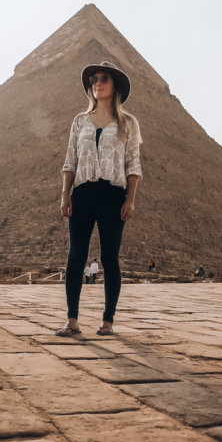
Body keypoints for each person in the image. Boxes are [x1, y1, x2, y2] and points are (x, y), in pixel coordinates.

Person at [58, 60, 142, 336]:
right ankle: (72, 320)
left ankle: (108, 320)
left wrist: (130, 199)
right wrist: (65, 194)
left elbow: (133, 165)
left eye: (104, 78)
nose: (97, 83)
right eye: (94, 79)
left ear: (114, 85)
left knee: (110, 258)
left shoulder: (128, 123)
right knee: (76, 256)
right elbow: (70, 160)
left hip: (112, 195)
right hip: (82, 193)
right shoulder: (79, 121)